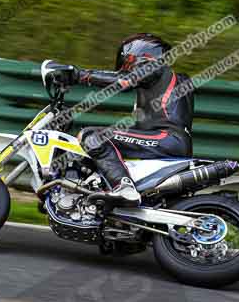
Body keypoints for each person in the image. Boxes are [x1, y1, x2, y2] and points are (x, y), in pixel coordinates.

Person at [59, 34, 194, 206]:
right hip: (167, 140)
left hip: (166, 139)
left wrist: (79, 75)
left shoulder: (156, 70)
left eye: (127, 59)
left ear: (140, 54)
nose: (125, 65)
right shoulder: (162, 79)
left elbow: (123, 81)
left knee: (93, 136)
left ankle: (124, 189)